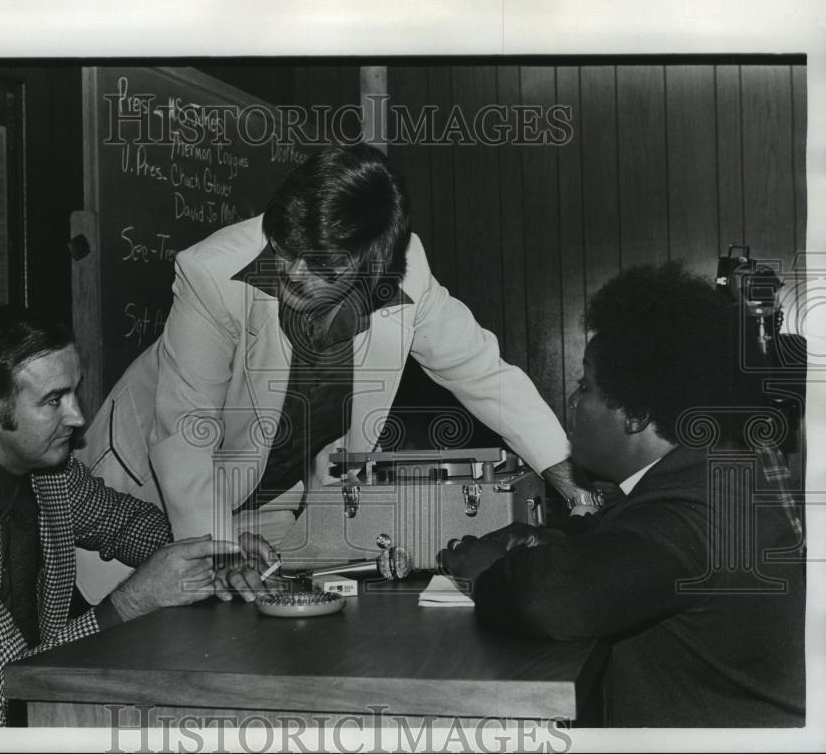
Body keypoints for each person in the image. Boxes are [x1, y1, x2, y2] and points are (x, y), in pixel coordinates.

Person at [75, 142, 599, 604]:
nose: (293, 276)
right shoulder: (212, 272)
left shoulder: (405, 269)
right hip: (141, 496)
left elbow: (483, 372)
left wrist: (569, 480)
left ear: (373, 269)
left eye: (321, 268)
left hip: (265, 504)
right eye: (284, 253)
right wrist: (216, 550)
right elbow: (185, 429)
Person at [439, 262, 805, 727]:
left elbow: (550, 601)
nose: (573, 401)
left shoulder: (692, 514)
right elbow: (631, 547)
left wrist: (483, 568)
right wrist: (562, 545)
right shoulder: (712, 473)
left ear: (634, 413)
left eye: (585, 386)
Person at [0, 306, 243, 727]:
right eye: (53, 400)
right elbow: (10, 692)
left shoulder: (31, 456)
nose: (76, 418)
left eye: (74, 392)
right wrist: (135, 599)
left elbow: (122, 523)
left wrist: (217, 548)